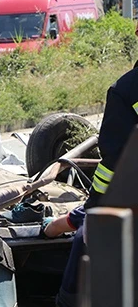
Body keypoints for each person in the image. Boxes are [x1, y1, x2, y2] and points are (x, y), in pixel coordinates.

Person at [54, 66, 138, 307]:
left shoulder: (126, 89)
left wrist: (92, 209)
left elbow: (114, 163)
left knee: (83, 243)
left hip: (126, 205)